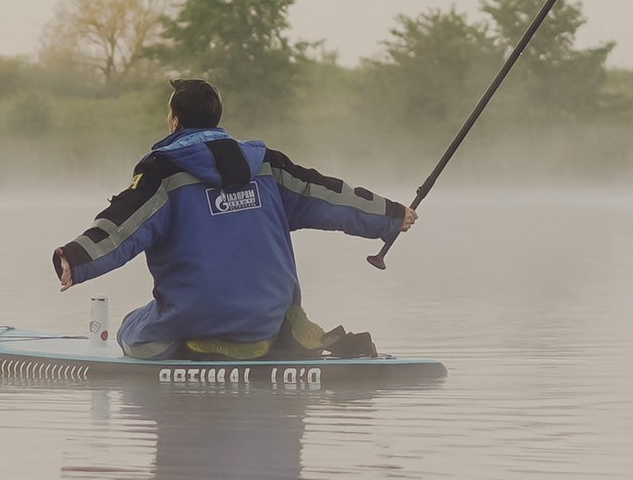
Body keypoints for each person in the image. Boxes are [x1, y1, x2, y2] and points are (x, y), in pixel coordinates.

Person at [51, 75, 412, 357]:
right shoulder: (267, 165)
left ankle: (200, 345)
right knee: (265, 319)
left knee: (130, 331)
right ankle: (269, 339)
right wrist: (391, 216)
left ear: (175, 122)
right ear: (216, 119)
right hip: (268, 317)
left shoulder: (162, 172)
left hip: (195, 317)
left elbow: (121, 226)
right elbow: (331, 196)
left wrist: (76, 258)